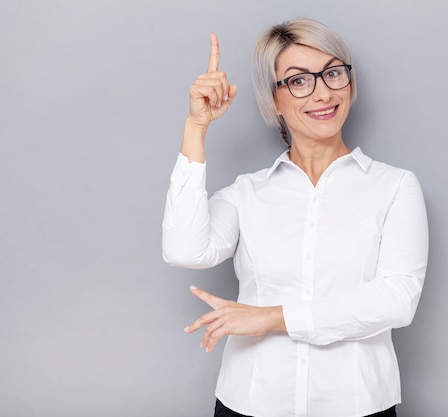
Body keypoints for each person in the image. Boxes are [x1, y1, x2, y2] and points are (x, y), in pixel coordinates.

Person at [162, 18, 428, 417]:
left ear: (350, 84)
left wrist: (270, 318)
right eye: (299, 81)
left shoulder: (394, 187)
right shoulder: (246, 194)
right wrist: (196, 127)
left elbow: (396, 300)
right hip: (251, 402)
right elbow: (185, 250)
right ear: (273, 100)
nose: (322, 93)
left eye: (333, 73)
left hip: (354, 404)